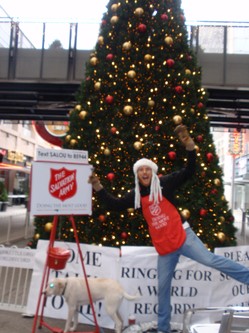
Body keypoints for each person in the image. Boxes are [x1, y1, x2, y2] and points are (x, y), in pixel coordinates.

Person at [88, 125, 249, 333]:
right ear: (137, 175)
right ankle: (163, 329)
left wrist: (190, 147)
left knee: (210, 260)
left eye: (147, 169)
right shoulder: (136, 195)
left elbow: (189, 171)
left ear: (153, 172)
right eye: (140, 170)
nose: (144, 172)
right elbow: (114, 204)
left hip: (183, 236)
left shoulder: (165, 183)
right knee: (163, 290)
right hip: (165, 248)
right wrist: (99, 187)